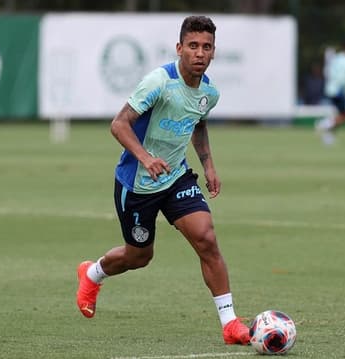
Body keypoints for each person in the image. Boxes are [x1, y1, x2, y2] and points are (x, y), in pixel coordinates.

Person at [75, 15, 251, 345]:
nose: (200, 53)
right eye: (193, 46)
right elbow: (119, 124)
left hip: (176, 178)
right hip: (137, 184)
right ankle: (92, 272)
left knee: (206, 239)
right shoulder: (159, 81)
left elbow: (197, 124)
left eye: (207, 47)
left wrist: (209, 166)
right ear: (179, 48)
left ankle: (230, 324)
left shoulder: (209, 93)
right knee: (138, 257)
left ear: (214, 52)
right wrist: (145, 157)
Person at [315, 41, 345, 145]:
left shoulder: (336, 58)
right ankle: (324, 123)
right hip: (339, 90)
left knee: (340, 115)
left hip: (329, 89)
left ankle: (328, 136)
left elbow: (327, 71)